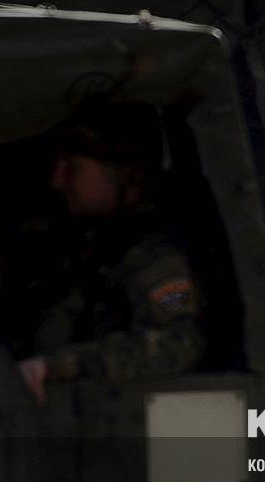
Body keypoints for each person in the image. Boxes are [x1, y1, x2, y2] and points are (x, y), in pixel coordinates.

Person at [15, 99, 207, 405]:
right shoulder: (91, 248)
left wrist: (65, 365)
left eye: (73, 167)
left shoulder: (154, 256)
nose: (57, 180)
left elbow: (177, 345)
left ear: (125, 171)